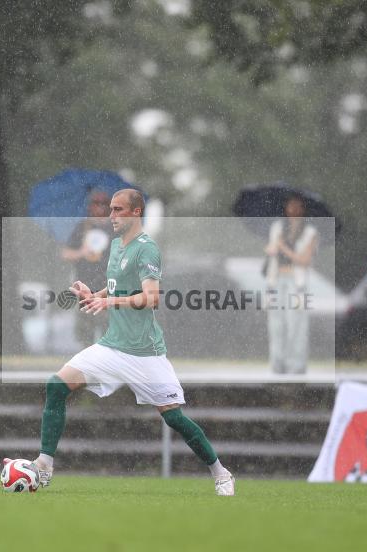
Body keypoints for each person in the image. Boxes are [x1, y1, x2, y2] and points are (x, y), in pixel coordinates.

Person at [15, 189, 236, 496]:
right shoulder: (117, 244)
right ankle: (45, 463)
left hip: (144, 354)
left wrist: (109, 304)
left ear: (136, 212)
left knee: (173, 417)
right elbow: (117, 285)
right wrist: (96, 295)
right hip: (111, 346)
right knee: (56, 386)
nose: (111, 215)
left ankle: (221, 472)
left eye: (118, 209)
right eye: (110, 209)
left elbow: (151, 297)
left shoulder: (147, 249)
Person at [264, 195, 319, 374]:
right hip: (276, 280)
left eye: (297, 206)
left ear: (303, 209)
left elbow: (304, 260)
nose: (293, 210)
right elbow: (272, 250)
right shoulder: (277, 228)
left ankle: (297, 365)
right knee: (276, 324)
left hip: (297, 283)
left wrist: (284, 248)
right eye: (290, 205)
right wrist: (273, 248)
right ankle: (277, 364)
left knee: (297, 324)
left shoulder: (310, 232)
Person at [61, 189, 112, 346]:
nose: (100, 208)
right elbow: (66, 253)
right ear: (90, 206)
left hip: (108, 287)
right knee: (86, 332)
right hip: (85, 286)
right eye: (96, 204)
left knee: (108, 329)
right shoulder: (82, 228)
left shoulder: (115, 229)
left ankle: (106, 363)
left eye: (104, 204)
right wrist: (81, 252)